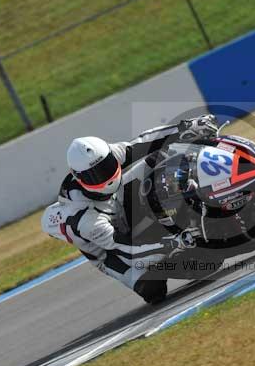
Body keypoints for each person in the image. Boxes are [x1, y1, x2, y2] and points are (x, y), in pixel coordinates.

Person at [41, 115, 219, 303]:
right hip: (113, 251)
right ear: (78, 178)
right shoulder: (85, 219)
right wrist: (174, 243)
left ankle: (202, 184)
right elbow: (127, 248)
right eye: (94, 176)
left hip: (120, 202)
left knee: (159, 158)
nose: (105, 177)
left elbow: (144, 142)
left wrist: (185, 128)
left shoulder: (109, 153)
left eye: (106, 167)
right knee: (153, 289)